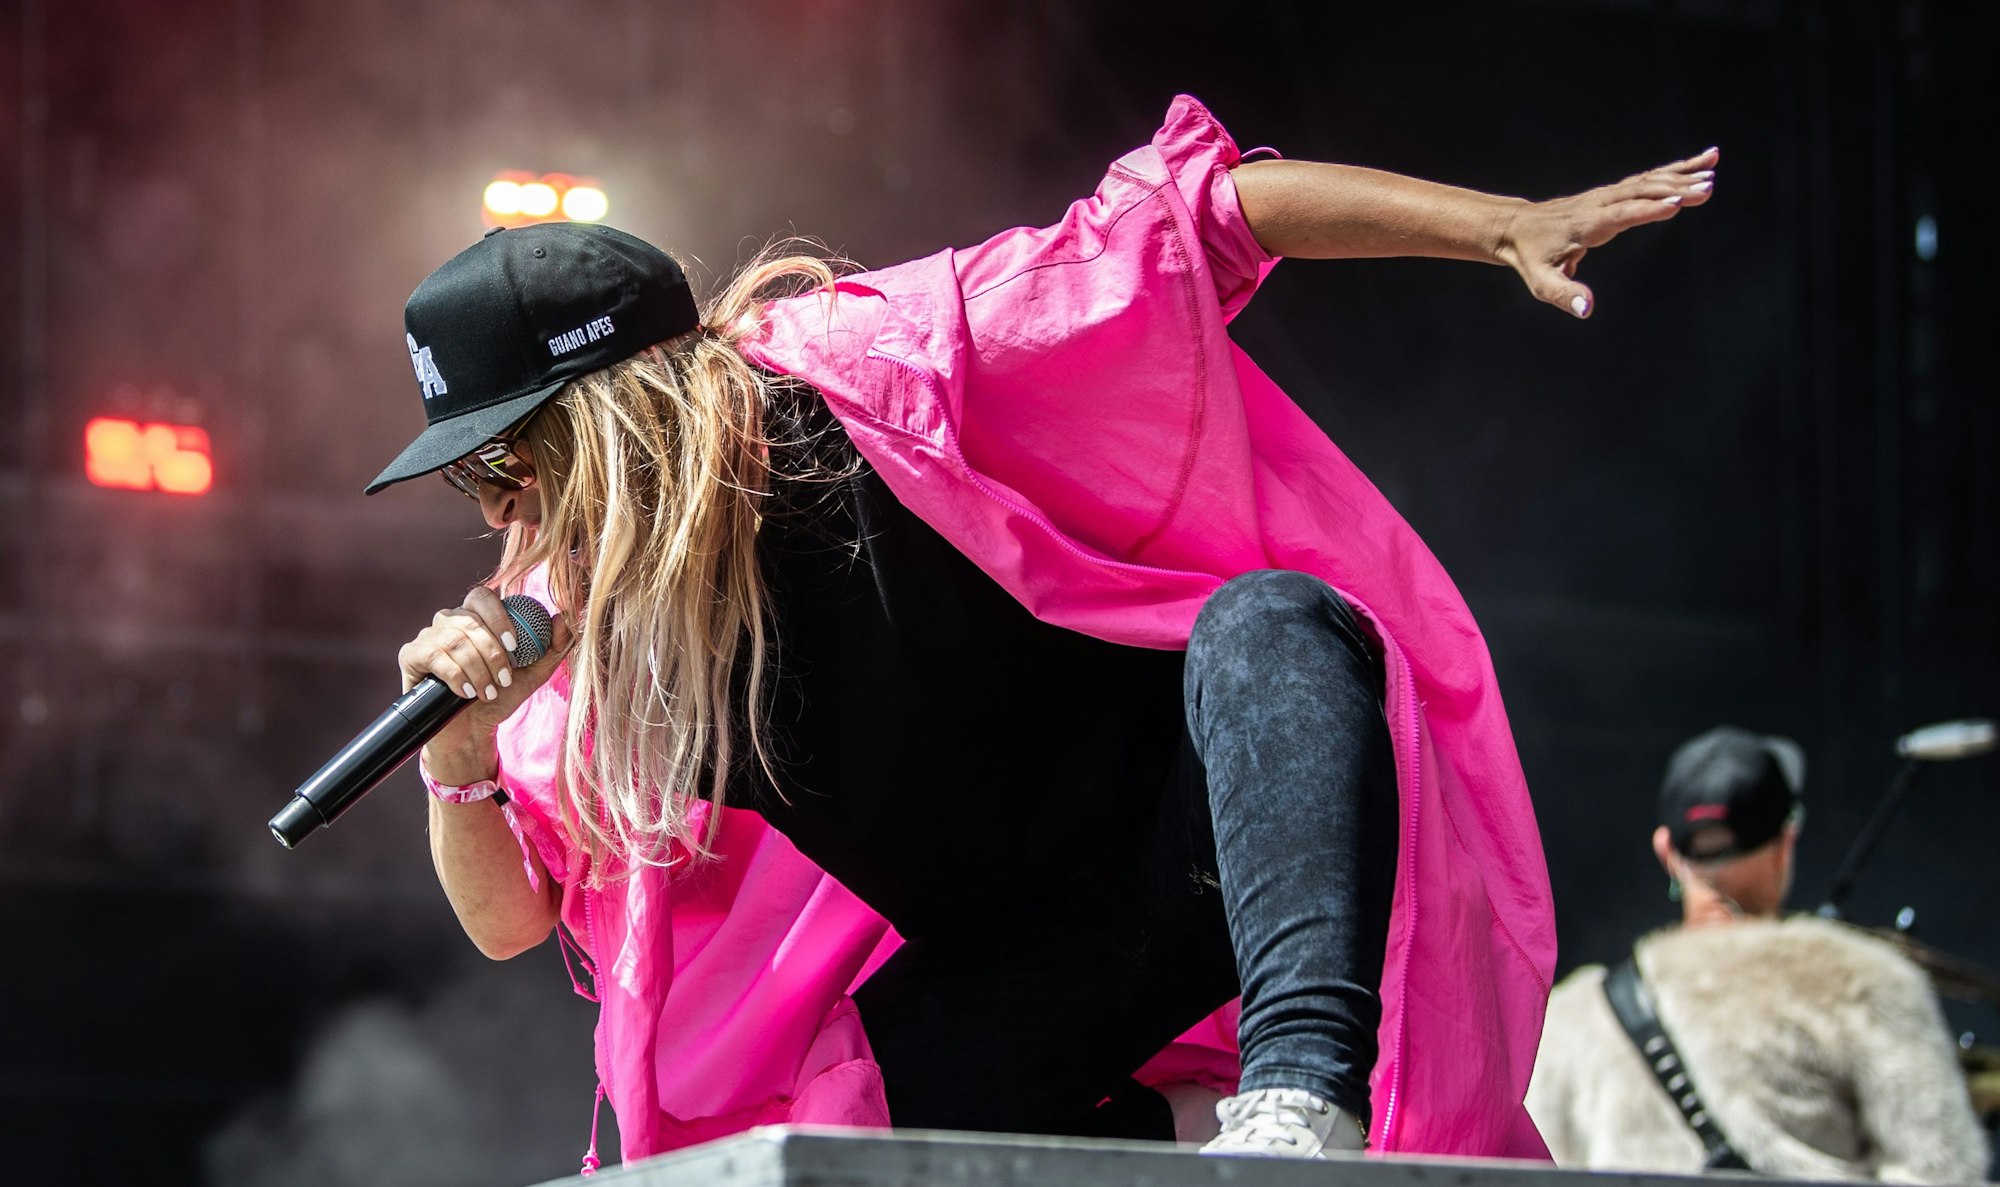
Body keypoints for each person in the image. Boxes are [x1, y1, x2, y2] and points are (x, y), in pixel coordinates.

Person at [369, 95, 1717, 1165]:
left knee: (1281, 624)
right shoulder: (587, 644)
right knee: (839, 1102)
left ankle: (1301, 1102)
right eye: (478, 480)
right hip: (1017, 979)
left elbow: (1203, 218)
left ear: (616, 416)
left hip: (1180, 852)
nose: (501, 504)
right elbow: (506, 919)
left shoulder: (874, 369)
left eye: (513, 460)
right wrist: (461, 748)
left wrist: (1502, 229)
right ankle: (1166, 1137)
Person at [1526, 727, 1988, 1181]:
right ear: (1786, 842)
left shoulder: (1575, 1017)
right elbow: (1944, 1171)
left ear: (1666, 851)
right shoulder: (1862, 984)